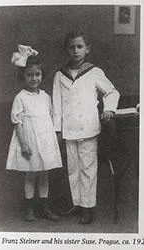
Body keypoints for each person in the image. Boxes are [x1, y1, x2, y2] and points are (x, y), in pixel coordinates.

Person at [52, 31, 120, 224]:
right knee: (73, 168)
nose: (75, 51)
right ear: (66, 50)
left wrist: (109, 110)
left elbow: (112, 92)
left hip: (89, 128)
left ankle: (89, 207)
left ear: (87, 49)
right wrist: (58, 129)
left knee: (88, 168)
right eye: (71, 47)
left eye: (79, 47)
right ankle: (78, 203)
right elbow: (57, 104)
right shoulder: (60, 75)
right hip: (69, 129)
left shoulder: (94, 72)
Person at [6, 45, 62, 222]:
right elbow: (17, 122)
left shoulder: (45, 96)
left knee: (44, 174)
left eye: (37, 74)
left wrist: (53, 142)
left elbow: (51, 119)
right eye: (29, 75)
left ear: (42, 75)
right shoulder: (20, 97)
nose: (34, 78)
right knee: (30, 174)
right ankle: (29, 207)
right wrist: (23, 144)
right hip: (29, 140)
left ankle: (44, 205)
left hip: (44, 141)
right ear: (22, 76)